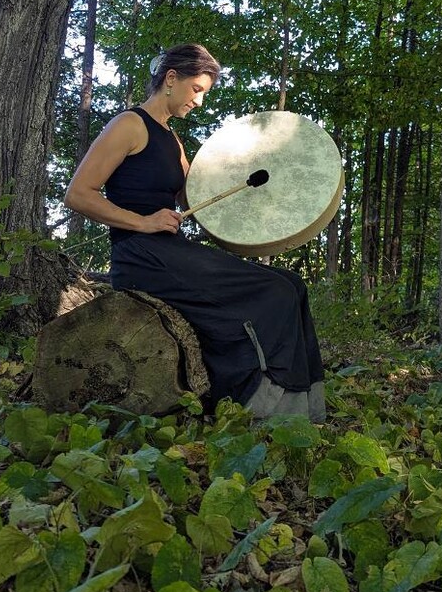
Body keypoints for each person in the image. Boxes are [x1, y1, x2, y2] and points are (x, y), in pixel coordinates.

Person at [64, 43, 325, 421]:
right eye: (197, 90)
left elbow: (197, 196)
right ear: (171, 79)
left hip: (171, 251)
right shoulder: (129, 125)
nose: (199, 102)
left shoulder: (173, 140)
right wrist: (144, 221)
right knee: (275, 292)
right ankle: (263, 407)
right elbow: (78, 194)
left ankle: (304, 406)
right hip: (140, 255)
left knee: (293, 285)